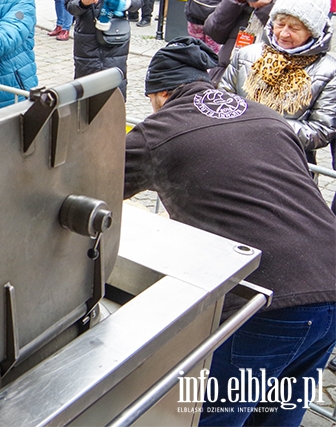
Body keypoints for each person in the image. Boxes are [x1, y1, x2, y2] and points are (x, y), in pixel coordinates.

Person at [125, 37, 336, 427]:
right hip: (331, 287)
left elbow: (91, 188)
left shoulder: (158, 131)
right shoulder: (266, 116)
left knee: (217, 418)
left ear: (162, 92)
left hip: (267, 303)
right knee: (280, 417)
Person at [219, 0, 336, 154]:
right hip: (235, 150)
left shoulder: (328, 71)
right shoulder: (246, 54)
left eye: (295, 28)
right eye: (280, 24)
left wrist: (268, 126)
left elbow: (321, 130)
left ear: (312, 32)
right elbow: (223, 99)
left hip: (288, 159)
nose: (283, 34)